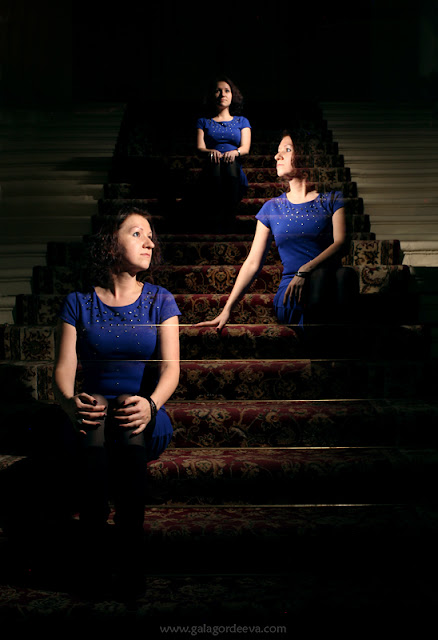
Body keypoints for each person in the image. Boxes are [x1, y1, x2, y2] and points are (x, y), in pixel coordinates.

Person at [52, 206, 180, 595]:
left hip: (142, 415)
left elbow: (171, 370)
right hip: (91, 415)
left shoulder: (160, 300)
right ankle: (93, 542)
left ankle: (129, 545)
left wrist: (151, 405)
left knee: (126, 402)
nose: (149, 242)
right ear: (111, 242)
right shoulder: (78, 302)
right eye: (137, 233)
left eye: (151, 235)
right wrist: (69, 403)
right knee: (96, 406)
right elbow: (63, 370)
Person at [196, 129, 359, 331]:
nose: (277, 156)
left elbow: (341, 243)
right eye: (278, 151)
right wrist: (227, 309)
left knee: (345, 275)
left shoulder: (332, 199)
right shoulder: (272, 208)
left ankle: (331, 346)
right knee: (324, 280)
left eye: (287, 150)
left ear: (305, 156)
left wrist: (305, 270)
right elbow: (253, 263)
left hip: (329, 285)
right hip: (294, 292)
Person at [195, 75, 252, 231]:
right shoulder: (203, 121)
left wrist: (234, 152)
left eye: (227, 90)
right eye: (218, 91)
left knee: (230, 164)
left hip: (233, 166)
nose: (222, 94)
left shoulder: (242, 121)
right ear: (212, 95)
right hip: (212, 165)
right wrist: (210, 152)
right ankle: (217, 216)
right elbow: (199, 147)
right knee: (216, 164)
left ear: (232, 95)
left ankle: (229, 216)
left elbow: (245, 147)